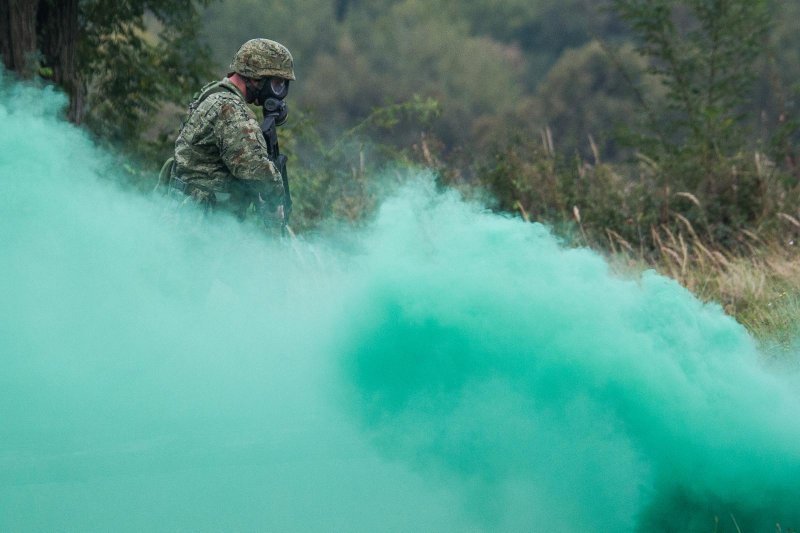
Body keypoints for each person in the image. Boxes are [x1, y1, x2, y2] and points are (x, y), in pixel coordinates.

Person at [165, 38, 295, 226]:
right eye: (276, 83)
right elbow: (256, 169)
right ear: (256, 77)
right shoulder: (230, 109)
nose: (278, 93)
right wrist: (276, 201)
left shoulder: (212, 95)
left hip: (187, 216)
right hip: (201, 226)